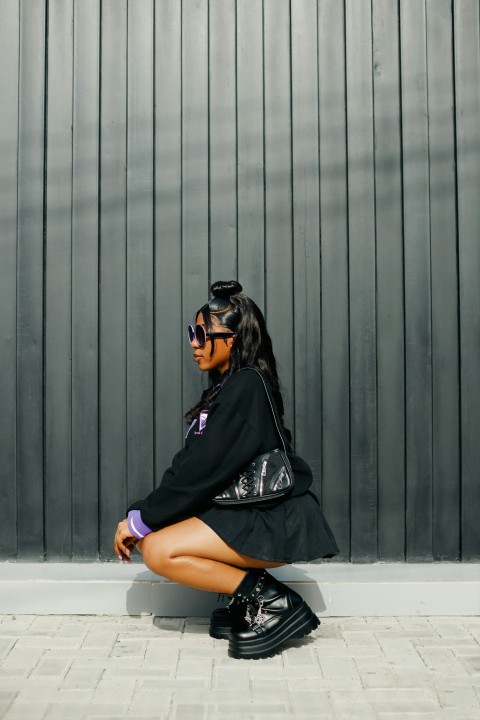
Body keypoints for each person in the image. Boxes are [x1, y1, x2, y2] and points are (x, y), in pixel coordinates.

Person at [113, 280, 339, 659]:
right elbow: (194, 467)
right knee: (157, 537)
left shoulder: (246, 386)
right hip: (250, 515)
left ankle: (275, 605)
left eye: (202, 334)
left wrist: (140, 521)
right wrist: (145, 514)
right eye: (192, 333)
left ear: (231, 340)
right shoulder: (228, 388)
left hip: (273, 521)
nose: (193, 342)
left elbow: (202, 470)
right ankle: (249, 603)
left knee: (158, 551)